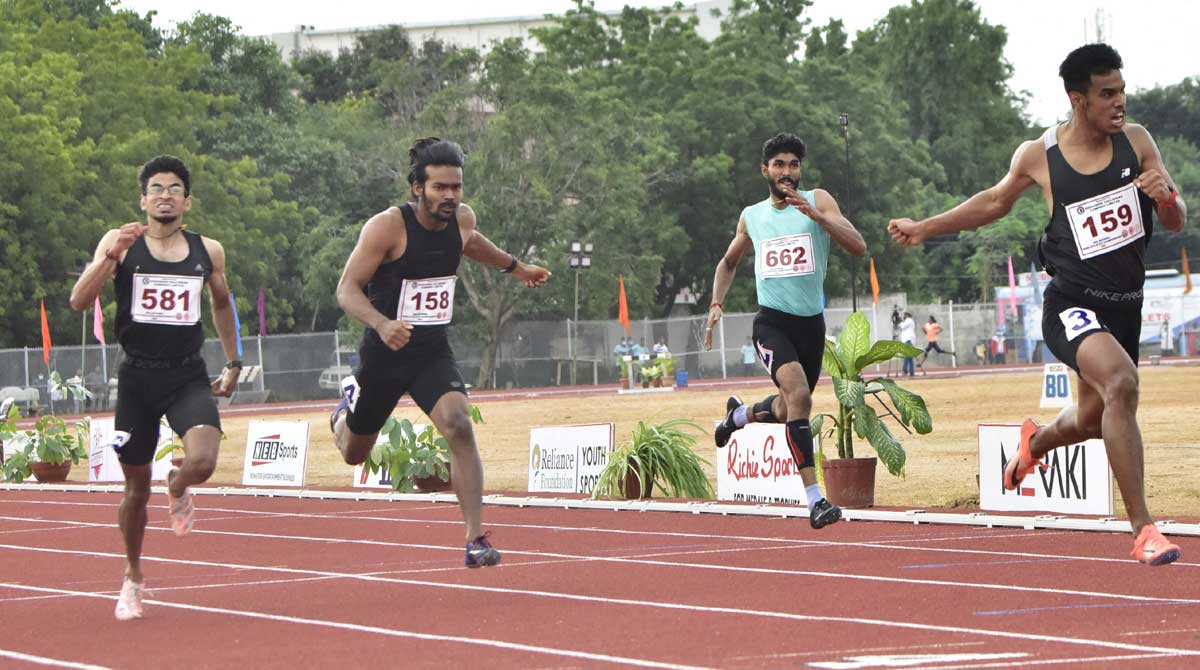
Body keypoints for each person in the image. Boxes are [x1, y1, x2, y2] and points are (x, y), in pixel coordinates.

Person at [888, 44, 1186, 565]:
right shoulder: (1039, 155)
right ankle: (1143, 530)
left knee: (1095, 419)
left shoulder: (1137, 141)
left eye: (1122, 91)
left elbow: (1176, 218)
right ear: (1077, 99)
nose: (1120, 103)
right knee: (1122, 384)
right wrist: (925, 227)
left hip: (1124, 307)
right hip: (1071, 303)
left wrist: (1167, 198)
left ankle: (1034, 444)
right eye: (1107, 94)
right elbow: (992, 202)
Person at [330, 138, 550, 568]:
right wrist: (382, 323)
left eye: (456, 187)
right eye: (440, 188)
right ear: (418, 188)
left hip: (431, 351)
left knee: (459, 424)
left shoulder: (462, 219)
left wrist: (516, 268)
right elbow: (346, 289)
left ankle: (475, 539)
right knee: (354, 451)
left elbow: (471, 242)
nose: (450, 196)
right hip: (386, 352)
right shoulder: (386, 228)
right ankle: (344, 412)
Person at [68, 155, 242, 619]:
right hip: (138, 378)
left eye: (175, 188)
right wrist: (110, 256)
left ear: (188, 200)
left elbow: (222, 305)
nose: (166, 195)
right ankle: (133, 576)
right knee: (134, 492)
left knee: (203, 461)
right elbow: (79, 301)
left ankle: (180, 484)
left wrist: (233, 360)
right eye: (157, 188)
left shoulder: (210, 250)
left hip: (187, 373)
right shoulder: (121, 242)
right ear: (143, 199)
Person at [706, 132, 867, 529]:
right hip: (771, 321)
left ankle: (738, 417)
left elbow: (858, 245)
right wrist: (716, 303)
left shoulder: (820, 200)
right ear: (766, 170)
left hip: (811, 326)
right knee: (799, 396)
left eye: (794, 164)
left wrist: (818, 217)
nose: (787, 171)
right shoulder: (753, 215)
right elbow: (728, 263)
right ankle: (815, 500)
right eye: (779, 164)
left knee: (787, 407)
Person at [899, 312, 916, 377]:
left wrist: (900, 321)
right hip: (907, 341)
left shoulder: (909, 320)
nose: (903, 316)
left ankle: (905, 371)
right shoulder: (907, 321)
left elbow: (902, 326)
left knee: (906, 356)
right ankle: (911, 373)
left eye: (904, 315)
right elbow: (900, 327)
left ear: (907, 315)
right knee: (909, 357)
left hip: (908, 340)